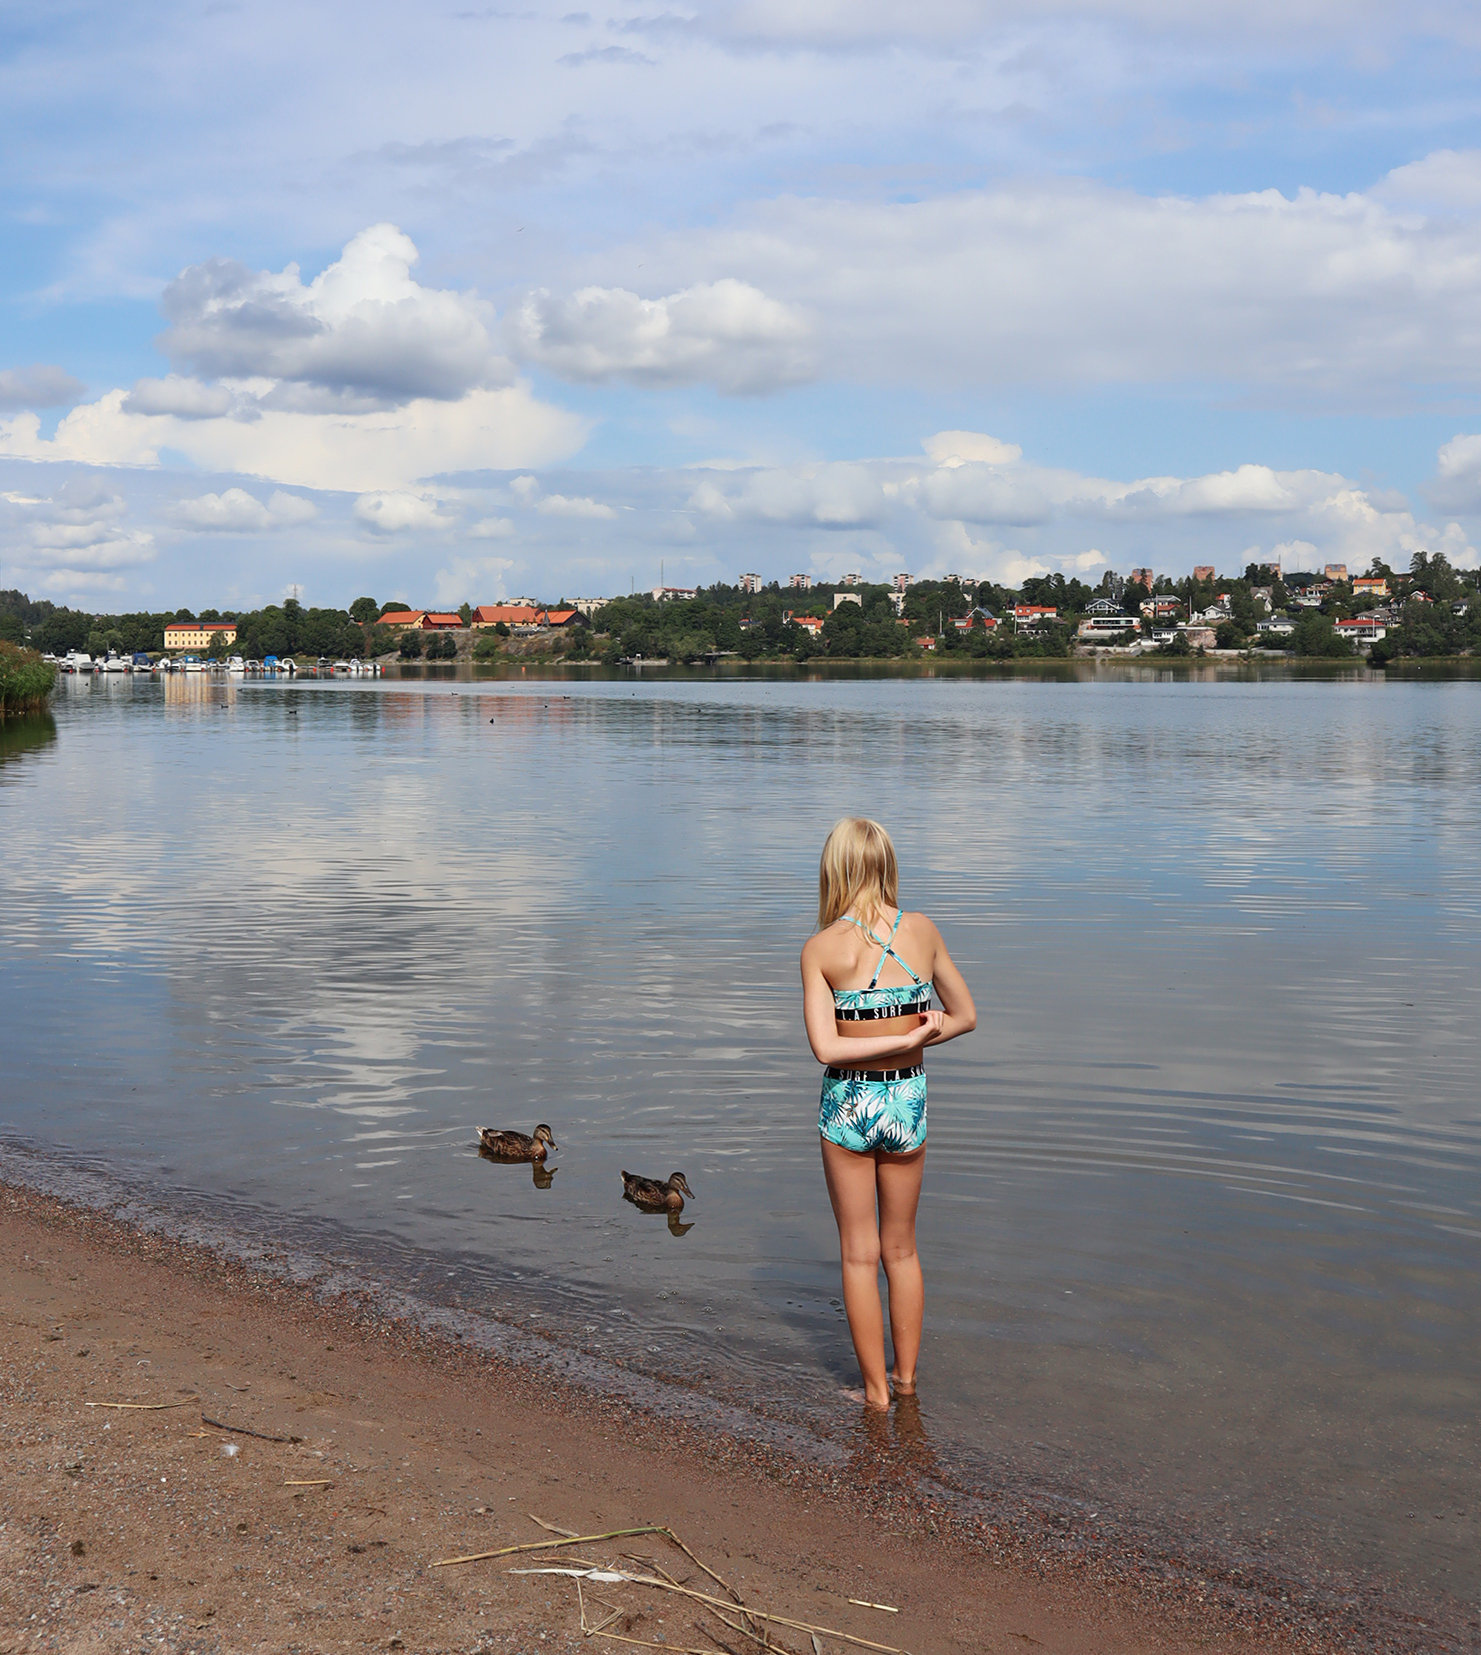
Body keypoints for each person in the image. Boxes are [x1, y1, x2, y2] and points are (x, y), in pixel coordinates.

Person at [800, 817, 976, 1411]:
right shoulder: (921, 931)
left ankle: (875, 1395)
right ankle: (906, 1382)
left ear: (834, 869)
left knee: (859, 1252)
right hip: (906, 1098)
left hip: (850, 1101)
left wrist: (886, 1040)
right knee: (901, 1250)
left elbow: (826, 1049)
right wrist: (917, 1037)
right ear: (886, 865)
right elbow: (965, 1016)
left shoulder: (822, 949)